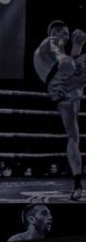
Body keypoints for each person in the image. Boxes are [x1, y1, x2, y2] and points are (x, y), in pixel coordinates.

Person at [32, 20, 86, 200]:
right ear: (57, 32)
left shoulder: (43, 52)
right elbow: (67, 65)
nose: (66, 37)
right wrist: (77, 45)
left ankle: (78, 185)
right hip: (61, 75)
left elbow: (69, 67)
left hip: (58, 89)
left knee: (73, 136)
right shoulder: (51, 41)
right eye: (65, 34)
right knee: (74, 61)